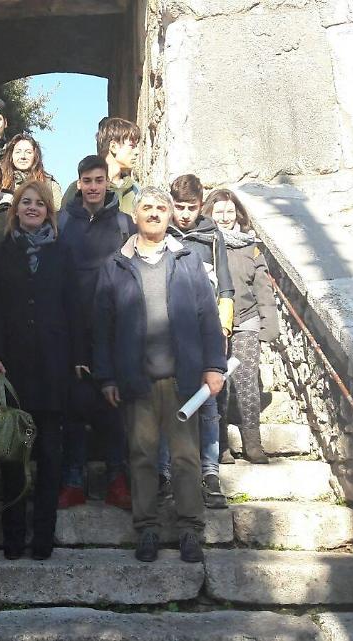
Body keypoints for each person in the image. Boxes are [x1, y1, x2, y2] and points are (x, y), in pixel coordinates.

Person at [93, 186, 227, 564]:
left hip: (183, 381)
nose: (154, 213)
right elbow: (101, 328)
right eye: (147, 208)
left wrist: (214, 366)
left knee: (186, 459)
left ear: (170, 216)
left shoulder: (186, 261)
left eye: (160, 208)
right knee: (142, 457)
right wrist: (106, 377)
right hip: (136, 381)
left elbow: (208, 318)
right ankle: (147, 529)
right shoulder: (115, 266)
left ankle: (190, 531)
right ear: (134, 216)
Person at [0, 180, 84, 561]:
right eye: (25, 202)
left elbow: (74, 308)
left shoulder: (63, 254)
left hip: (53, 364)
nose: (32, 208)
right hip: (12, 366)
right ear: (15, 209)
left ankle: (43, 536)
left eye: (39, 204)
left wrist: (78, 357)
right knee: (11, 454)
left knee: (50, 453)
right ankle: (12, 536)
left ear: (49, 211)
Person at [55, 155, 136, 511]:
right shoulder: (62, 222)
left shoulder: (124, 223)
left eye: (98, 180)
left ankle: (117, 479)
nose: (92, 187)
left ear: (107, 183)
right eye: (86, 180)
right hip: (72, 327)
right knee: (74, 405)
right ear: (79, 183)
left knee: (112, 404)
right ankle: (73, 480)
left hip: (115, 327)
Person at [157, 174, 236, 510]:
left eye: (191, 207)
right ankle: (162, 471)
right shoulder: (163, 232)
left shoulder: (211, 234)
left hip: (207, 330)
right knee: (165, 400)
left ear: (201, 204)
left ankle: (210, 471)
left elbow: (226, 287)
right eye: (179, 207)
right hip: (168, 331)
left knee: (208, 402)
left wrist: (224, 326)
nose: (185, 214)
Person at [202, 189, 281, 466]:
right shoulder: (206, 242)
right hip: (215, 323)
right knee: (218, 384)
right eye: (219, 212)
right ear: (209, 213)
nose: (224, 217)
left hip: (246, 320)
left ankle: (253, 443)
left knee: (247, 381)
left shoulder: (251, 246)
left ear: (238, 213)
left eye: (229, 211)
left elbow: (263, 288)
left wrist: (268, 325)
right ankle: (221, 444)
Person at [61, 117, 142, 215]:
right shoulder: (79, 189)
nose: (137, 152)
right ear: (113, 147)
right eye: (132, 146)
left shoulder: (136, 190)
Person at [0, 133, 63, 208]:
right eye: (18, 152)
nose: (23, 156)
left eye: (28, 152)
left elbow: (59, 215)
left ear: (35, 156)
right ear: (11, 155)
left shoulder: (49, 185)